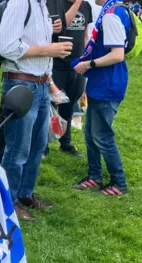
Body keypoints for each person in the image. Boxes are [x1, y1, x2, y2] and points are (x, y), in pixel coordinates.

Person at [0, 0, 73, 220]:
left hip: (40, 84)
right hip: (21, 84)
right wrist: (50, 50)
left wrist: (49, 83)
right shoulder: (20, 3)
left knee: (38, 146)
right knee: (18, 147)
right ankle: (8, 202)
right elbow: (8, 47)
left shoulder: (41, 5)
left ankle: (24, 194)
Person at [71, 0, 131, 196]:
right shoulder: (112, 10)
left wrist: (88, 64)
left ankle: (119, 182)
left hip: (108, 83)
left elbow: (117, 55)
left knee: (102, 136)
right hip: (103, 82)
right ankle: (94, 176)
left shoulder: (112, 15)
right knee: (90, 134)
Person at [51, 0, 93, 157]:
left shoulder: (86, 6)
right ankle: (44, 144)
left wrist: (87, 56)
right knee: (50, 104)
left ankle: (65, 143)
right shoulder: (55, 4)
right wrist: (77, 3)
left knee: (69, 104)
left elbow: (85, 34)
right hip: (57, 63)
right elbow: (63, 25)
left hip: (77, 64)